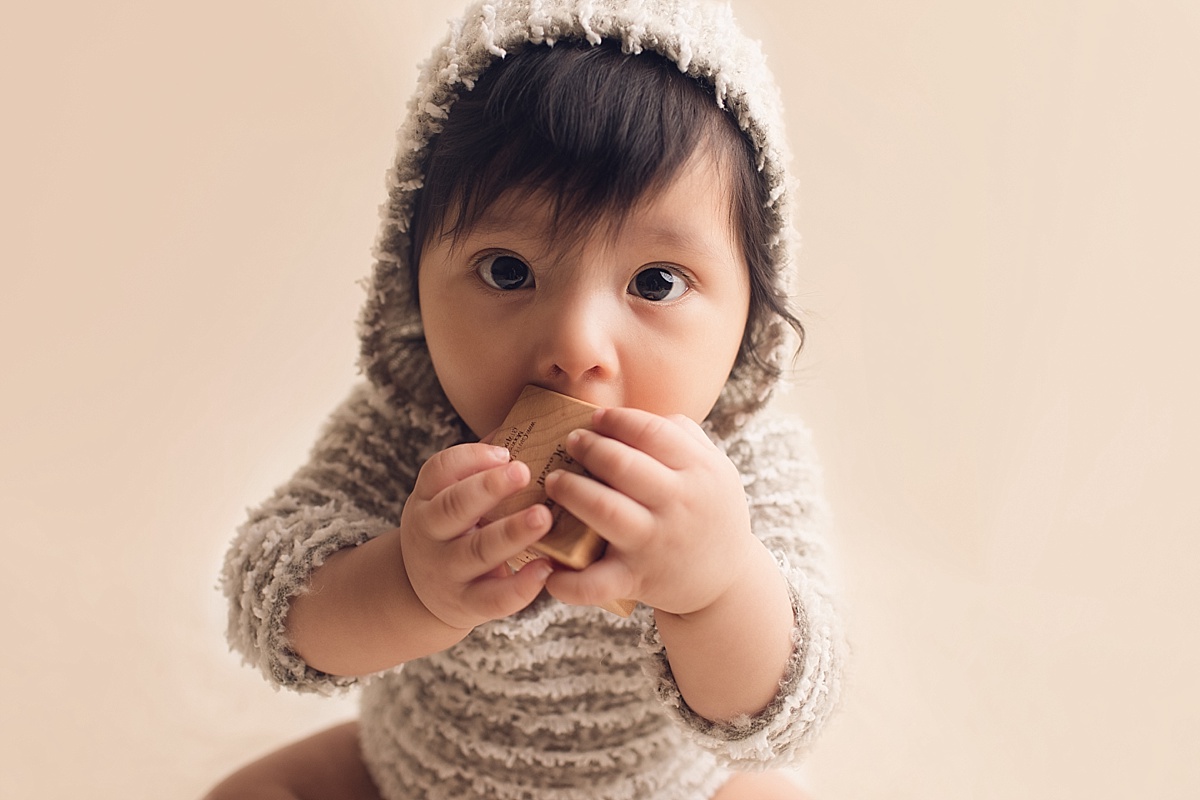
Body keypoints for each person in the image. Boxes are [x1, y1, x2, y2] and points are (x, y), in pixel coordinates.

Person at [207, 1, 844, 798]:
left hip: (668, 791)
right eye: (508, 271)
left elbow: (789, 708)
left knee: (769, 790)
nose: (577, 346)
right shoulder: (407, 431)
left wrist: (716, 585)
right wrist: (406, 586)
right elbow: (267, 603)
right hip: (412, 780)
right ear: (410, 285)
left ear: (751, 313)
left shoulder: (744, 466)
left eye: (655, 283)